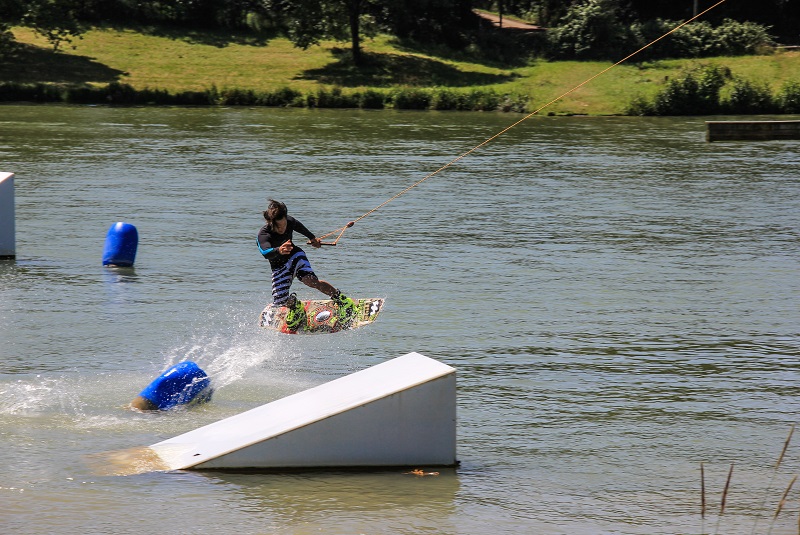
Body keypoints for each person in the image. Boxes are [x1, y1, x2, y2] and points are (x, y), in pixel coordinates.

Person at [257, 199, 356, 331]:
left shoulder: (290, 221)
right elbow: (265, 252)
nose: (282, 229)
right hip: (278, 266)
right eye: (278, 227)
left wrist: (312, 238)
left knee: (311, 281)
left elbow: (299, 227)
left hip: (294, 256)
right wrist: (279, 250)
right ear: (271, 223)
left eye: (283, 225)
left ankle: (342, 300)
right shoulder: (264, 234)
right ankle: (296, 308)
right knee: (280, 301)